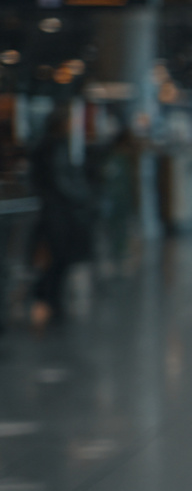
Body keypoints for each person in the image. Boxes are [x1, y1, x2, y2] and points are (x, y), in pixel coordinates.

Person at [29, 108, 94, 327]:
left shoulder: (45, 145)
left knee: (57, 257)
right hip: (57, 211)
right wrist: (81, 197)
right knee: (59, 257)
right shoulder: (54, 146)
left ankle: (48, 296)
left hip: (51, 208)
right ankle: (47, 297)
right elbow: (61, 181)